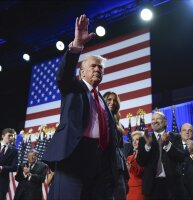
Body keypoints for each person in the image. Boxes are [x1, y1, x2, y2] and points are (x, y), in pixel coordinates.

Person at [42, 14, 123, 200]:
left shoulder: (102, 100)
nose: (97, 70)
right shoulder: (73, 88)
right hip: (74, 155)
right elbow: (62, 75)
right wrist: (76, 46)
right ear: (82, 71)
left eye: (100, 68)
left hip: (101, 158)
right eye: (93, 66)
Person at [136, 111, 185, 200]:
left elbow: (181, 157)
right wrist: (148, 146)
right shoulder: (144, 139)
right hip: (151, 186)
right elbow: (140, 162)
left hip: (171, 185)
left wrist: (167, 144)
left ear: (165, 122)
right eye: (153, 119)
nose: (155, 121)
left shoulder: (175, 137)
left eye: (158, 118)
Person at [103, 91, 130, 200]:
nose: (112, 102)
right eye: (109, 99)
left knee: (120, 196)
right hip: (103, 165)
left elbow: (121, 147)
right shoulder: (97, 118)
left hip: (118, 167)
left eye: (114, 100)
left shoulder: (119, 124)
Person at [177, 123, 193, 200]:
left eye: (190, 130)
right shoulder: (174, 148)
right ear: (180, 133)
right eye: (184, 130)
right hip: (178, 190)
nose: (187, 132)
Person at [0, 128, 18, 200]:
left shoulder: (14, 150)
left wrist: (2, 168)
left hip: (3, 182)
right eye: (9, 135)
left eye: (12, 136)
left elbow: (14, 167)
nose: (11, 138)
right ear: (3, 136)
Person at [127, 131, 144, 200]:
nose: (134, 142)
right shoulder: (129, 157)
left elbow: (141, 172)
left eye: (137, 140)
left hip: (139, 189)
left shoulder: (145, 156)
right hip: (129, 188)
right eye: (133, 140)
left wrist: (130, 167)